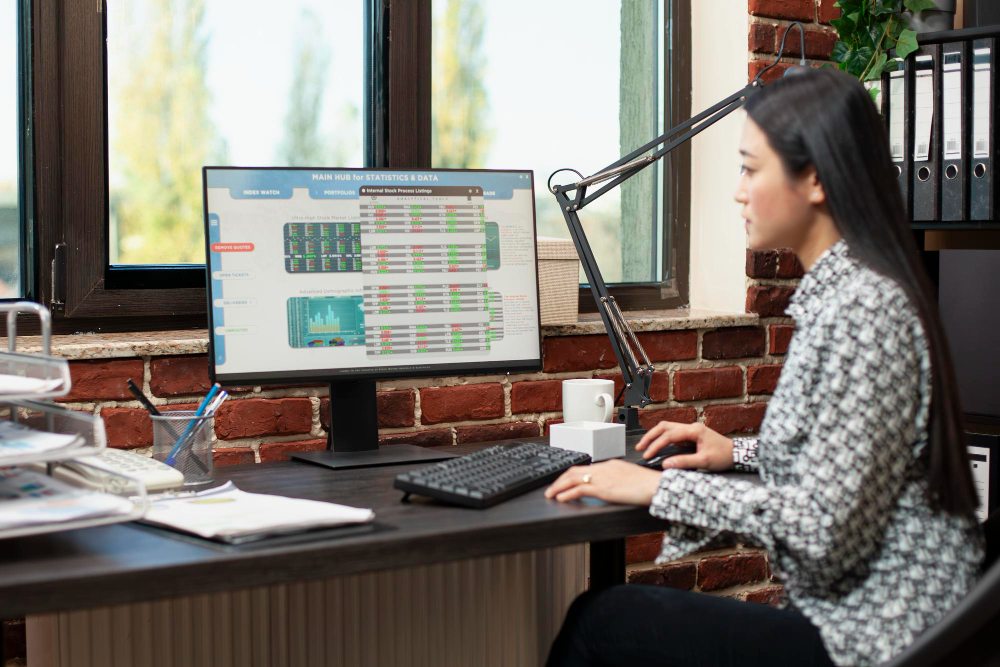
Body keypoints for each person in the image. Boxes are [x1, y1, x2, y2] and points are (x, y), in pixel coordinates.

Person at [544, 68, 984, 667]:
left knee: (602, 622)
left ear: (817, 180)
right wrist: (738, 454)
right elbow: (857, 456)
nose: (738, 190)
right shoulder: (852, 291)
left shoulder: (864, 309)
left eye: (752, 168)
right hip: (864, 618)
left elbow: (824, 530)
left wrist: (660, 487)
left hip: (873, 638)